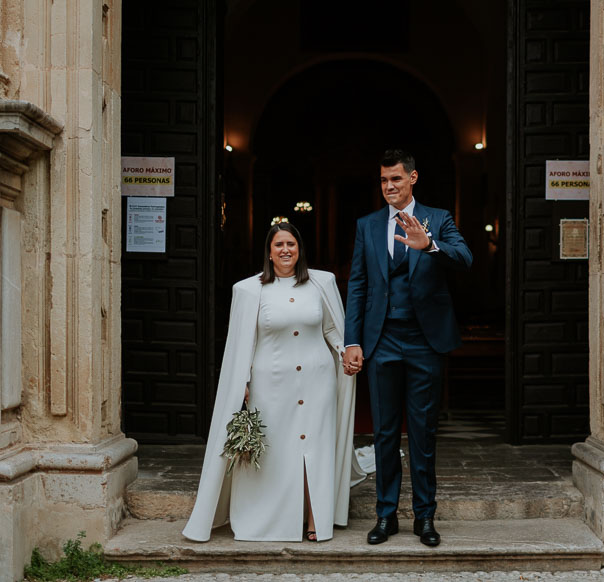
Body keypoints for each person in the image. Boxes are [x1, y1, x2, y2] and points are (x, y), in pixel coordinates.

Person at [182, 222, 360, 542]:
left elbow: (333, 329)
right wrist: (244, 381)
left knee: (314, 449)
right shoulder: (249, 290)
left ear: (299, 249)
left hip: (318, 381)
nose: (286, 250)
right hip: (271, 384)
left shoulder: (322, 283)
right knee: (276, 452)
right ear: (269, 252)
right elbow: (242, 344)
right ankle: (271, 520)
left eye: (291, 244)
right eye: (279, 245)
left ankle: (313, 517)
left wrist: (344, 351)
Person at [341, 149, 472, 547]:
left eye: (396, 179)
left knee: (422, 432)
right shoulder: (367, 225)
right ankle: (385, 517)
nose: (389, 187)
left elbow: (464, 257)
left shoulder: (438, 218)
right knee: (383, 433)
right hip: (382, 342)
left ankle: (424, 518)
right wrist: (352, 340)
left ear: (413, 177)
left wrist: (429, 244)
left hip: (424, 342)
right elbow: (358, 285)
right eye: (383, 180)